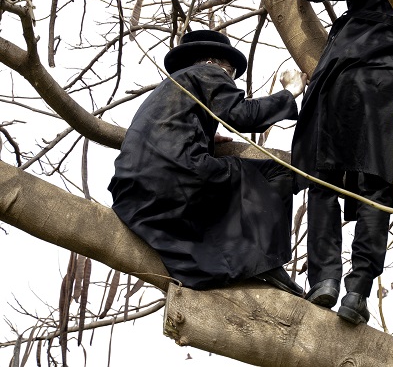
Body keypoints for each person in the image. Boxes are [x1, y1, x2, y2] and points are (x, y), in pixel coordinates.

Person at [108, 30, 303, 294]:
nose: (230, 79)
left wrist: (206, 137)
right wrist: (290, 92)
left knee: (219, 194)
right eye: (230, 72)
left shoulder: (169, 89)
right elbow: (242, 115)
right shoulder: (207, 72)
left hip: (133, 191)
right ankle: (262, 257)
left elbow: (166, 132)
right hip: (180, 172)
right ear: (212, 63)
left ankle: (232, 263)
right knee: (278, 172)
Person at [291, 0, 393, 325]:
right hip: (390, 89)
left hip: (341, 83)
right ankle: (357, 290)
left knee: (323, 182)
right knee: (379, 189)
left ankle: (325, 278)